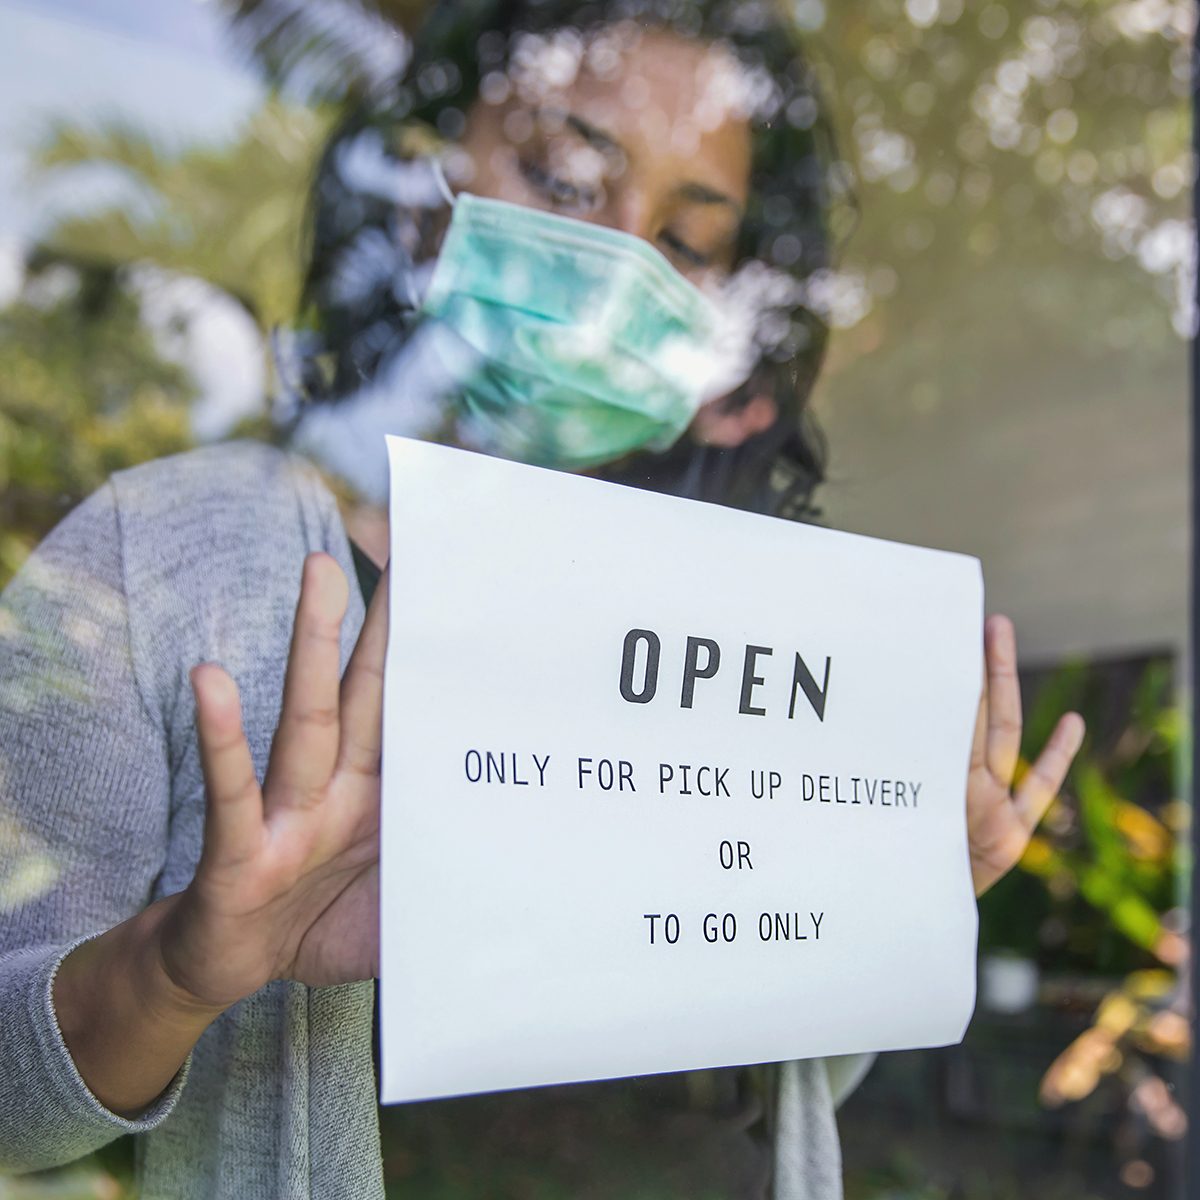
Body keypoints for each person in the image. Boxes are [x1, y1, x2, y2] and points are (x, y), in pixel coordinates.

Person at [0, 1, 1086, 1197]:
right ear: (423, 180)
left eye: (688, 239)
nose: (622, 257)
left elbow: (784, 1085)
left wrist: (890, 904)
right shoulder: (168, 549)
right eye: (569, 177)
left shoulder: (763, 611)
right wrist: (173, 979)